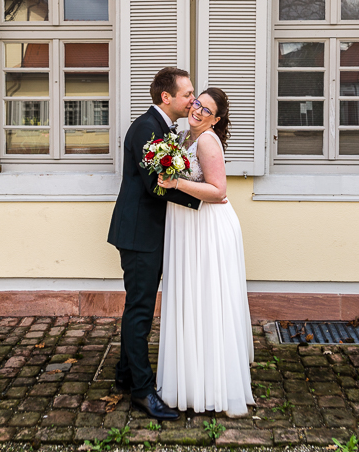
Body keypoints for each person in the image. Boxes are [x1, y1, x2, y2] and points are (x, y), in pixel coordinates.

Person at [107, 67, 201, 421]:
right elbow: (157, 185)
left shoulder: (162, 129)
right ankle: (143, 392)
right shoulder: (147, 128)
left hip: (146, 232)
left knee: (138, 307)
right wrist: (203, 202)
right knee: (141, 311)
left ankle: (125, 374)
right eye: (187, 94)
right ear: (167, 97)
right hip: (139, 235)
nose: (192, 100)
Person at [155, 88, 255, 417]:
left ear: (216, 119)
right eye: (197, 103)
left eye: (207, 110)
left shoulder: (208, 141)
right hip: (187, 225)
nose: (198, 111)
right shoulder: (184, 136)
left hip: (207, 228)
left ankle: (211, 386)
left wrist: (176, 183)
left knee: (206, 300)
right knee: (191, 299)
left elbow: (218, 191)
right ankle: (190, 379)